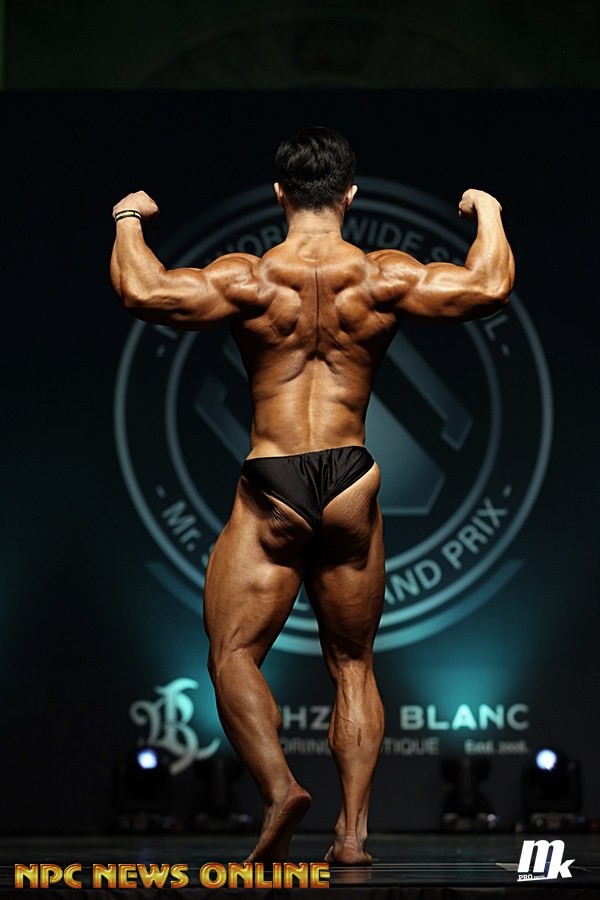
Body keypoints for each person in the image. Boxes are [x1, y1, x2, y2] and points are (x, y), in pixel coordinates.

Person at [110, 126, 514, 865]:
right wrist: (486, 210)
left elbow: (143, 288)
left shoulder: (251, 278)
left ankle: (279, 790)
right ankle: (352, 836)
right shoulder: (381, 276)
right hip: (351, 477)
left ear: (279, 195)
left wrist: (128, 217)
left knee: (233, 653)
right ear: (350, 196)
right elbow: (487, 285)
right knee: (354, 664)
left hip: (275, 480)